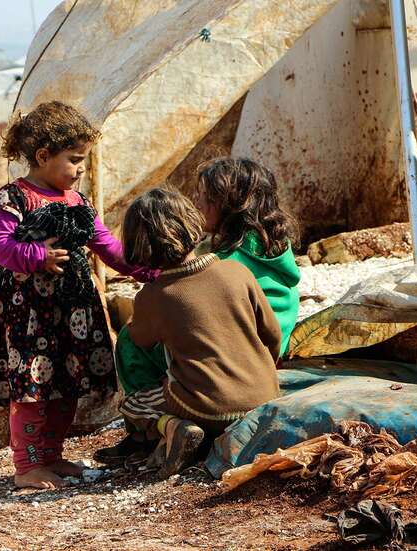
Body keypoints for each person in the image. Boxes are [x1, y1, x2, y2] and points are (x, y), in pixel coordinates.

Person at [0, 101, 158, 490]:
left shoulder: (78, 204)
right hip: (29, 314)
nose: (81, 170)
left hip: (73, 311)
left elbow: (108, 247)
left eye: (83, 161)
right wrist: (36, 256)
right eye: (75, 160)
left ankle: (52, 456)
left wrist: (152, 272)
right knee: (32, 388)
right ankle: (27, 466)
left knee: (66, 385)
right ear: (43, 156)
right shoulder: (14, 199)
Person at [95, 158, 301, 465]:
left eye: (205, 199)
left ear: (229, 206)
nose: (199, 204)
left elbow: (138, 337)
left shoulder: (161, 292)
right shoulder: (248, 261)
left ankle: (154, 434)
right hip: (262, 381)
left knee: (129, 350)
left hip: (209, 394)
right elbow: (270, 334)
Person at [117, 188, 281, 478]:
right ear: (192, 222)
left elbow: (139, 340)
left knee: (133, 403)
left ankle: (171, 429)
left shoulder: (154, 296)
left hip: (207, 408)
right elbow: (272, 335)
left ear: (137, 245)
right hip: (265, 398)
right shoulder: (237, 271)